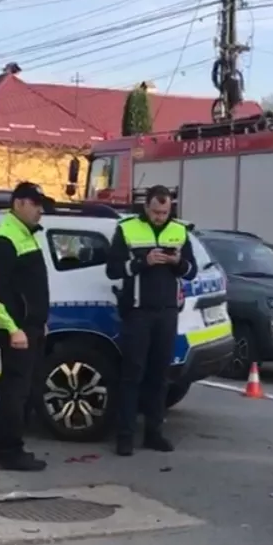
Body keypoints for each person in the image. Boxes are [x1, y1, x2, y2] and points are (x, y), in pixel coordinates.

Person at [105, 184, 197, 456]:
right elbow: (112, 269)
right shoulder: (127, 228)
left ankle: (154, 434)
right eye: (156, 212)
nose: (159, 217)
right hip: (138, 311)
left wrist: (177, 262)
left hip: (167, 312)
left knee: (159, 376)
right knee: (132, 375)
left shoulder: (179, 231)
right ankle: (125, 436)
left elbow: (191, 271)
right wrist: (143, 261)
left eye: (164, 212)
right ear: (146, 207)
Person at [0, 182, 52, 471]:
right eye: (35, 204)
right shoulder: (4, 240)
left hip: (30, 326)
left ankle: (0, 449)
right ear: (18, 204)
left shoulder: (25, 234)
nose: (40, 210)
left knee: (24, 389)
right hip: (17, 329)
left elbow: (31, 287)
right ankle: (11, 451)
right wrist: (14, 329)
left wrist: (40, 322)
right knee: (16, 392)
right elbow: (1, 294)